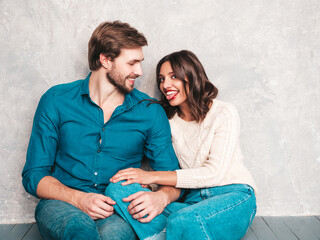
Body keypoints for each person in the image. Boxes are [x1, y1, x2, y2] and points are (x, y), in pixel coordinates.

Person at [22, 21, 182, 240]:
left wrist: (161, 197)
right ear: (105, 59)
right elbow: (34, 174)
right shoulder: (56, 100)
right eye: (132, 63)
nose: (140, 72)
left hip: (117, 208)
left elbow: (173, 177)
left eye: (140, 63)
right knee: (81, 234)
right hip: (62, 203)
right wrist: (79, 199)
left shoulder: (149, 111)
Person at [111, 50, 258, 240]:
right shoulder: (167, 122)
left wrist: (150, 176)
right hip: (191, 201)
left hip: (232, 194)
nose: (165, 84)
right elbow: (170, 167)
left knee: (185, 220)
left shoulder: (224, 113)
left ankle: (172, 232)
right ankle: (173, 234)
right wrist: (151, 188)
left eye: (174, 76)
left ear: (192, 75)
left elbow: (214, 173)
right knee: (118, 190)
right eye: (162, 79)